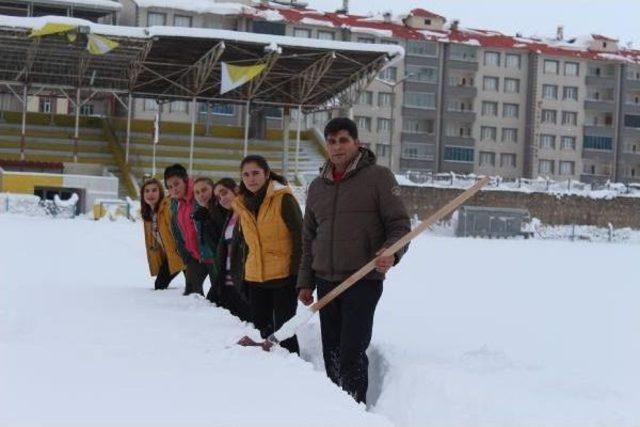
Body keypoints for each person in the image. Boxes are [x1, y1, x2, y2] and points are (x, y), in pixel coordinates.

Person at [297, 117, 411, 404]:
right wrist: (305, 281)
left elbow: (399, 226)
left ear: (357, 143)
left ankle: (355, 410)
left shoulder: (378, 178)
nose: (337, 147)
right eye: (332, 141)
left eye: (343, 140)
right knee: (331, 352)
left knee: (351, 353)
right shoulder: (317, 186)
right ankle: (335, 406)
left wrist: (391, 252)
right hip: (325, 279)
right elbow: (309, 239)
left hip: (362, 279)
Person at [233, 155, 302, 354]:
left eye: (255, 173)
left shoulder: (283, 199)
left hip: (284, 277)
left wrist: (298, 274)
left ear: (267, 174)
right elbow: (245, 245)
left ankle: (295, 370)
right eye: (245, 174)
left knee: (284, 332)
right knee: (262, 328)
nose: (250, 178)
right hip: (255, 278)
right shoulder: (242, 204)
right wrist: (244, 276)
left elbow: (301, 237)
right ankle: (269, 372)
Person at [163, 164, 214, 296]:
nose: (174, 189)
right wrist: (186, 256)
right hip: (195, 258)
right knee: (192, 293)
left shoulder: (200, 195)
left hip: (213, 255)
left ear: (185, 180)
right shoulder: (175, 203)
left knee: (221, 297)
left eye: (176, 184)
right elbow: (178, 232)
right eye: (170, 187)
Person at [211, 177, 250, 322]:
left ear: (236, 190)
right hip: (228, 282)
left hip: (243, 283)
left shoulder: (246, 212)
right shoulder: (230, 215)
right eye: (218, 197)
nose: (221, 199)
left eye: (224, 193)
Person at [140, 178, 185, 290]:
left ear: (161, 192)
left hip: (184, 252)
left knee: (193, 288)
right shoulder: (149, 215)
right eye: (147, 191)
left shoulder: (168, 207)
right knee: (161, 285)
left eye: (154, 190)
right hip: (172, 254)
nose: (150, 194)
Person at [192, 177, 226, 304]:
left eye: (204, 190)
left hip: (225, 266)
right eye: (197, 192)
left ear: (213, 189)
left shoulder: (219, 210)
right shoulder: (203, 212)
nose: (201, 195)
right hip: (211, 260)